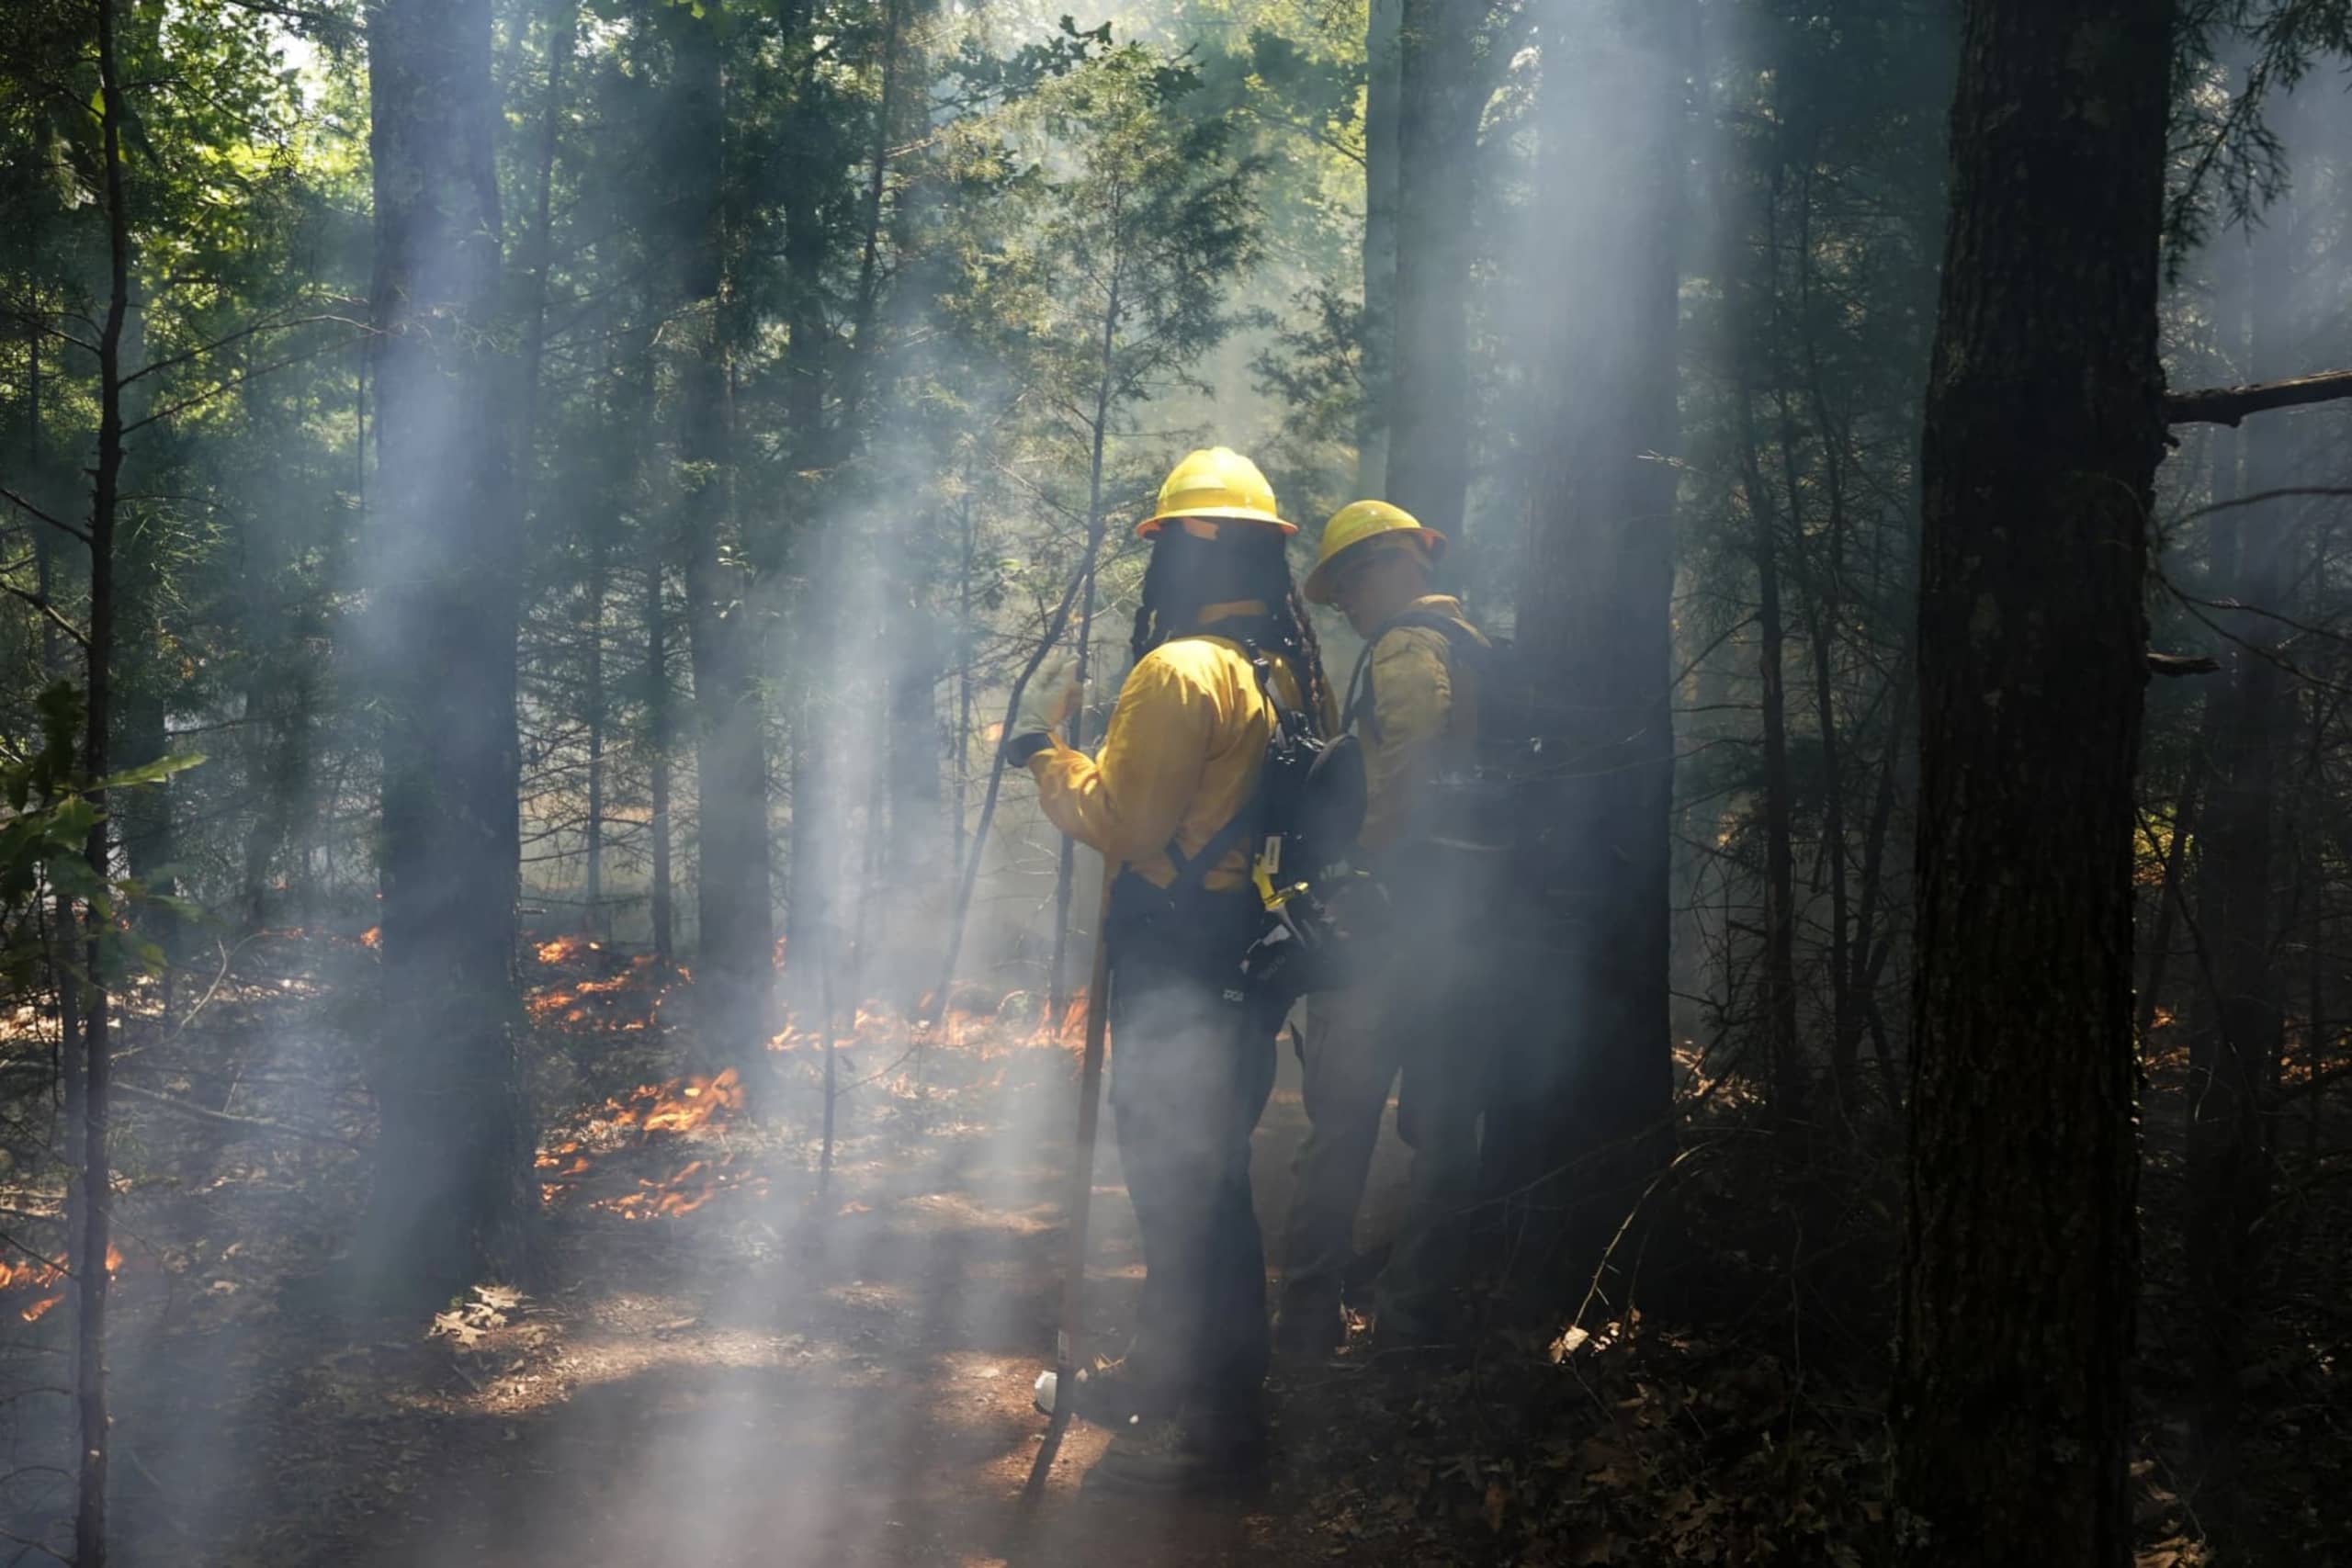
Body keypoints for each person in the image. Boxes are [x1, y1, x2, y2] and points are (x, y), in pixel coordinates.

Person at [1004, 446, 1332, 1493]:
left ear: (1189, 548)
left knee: (1189, 1191)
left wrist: (1047, 760)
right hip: (1240, 953)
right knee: (1206, 1184)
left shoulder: (1182, 669)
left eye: (1158, 544)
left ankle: (1224, 1428)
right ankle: (1179, 1375)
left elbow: (1126, 821)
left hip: (1181, 964)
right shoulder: (1274, 668)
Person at [1273, 499, 1490, 1354]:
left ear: (1390, 566)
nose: (1344, 606)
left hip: (1391, 933)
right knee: (1444, 1134)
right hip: (1466, 931)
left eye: (1347, 585)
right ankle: (1411, 1318)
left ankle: (1308, 1313)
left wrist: (1365, 874)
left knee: (1342, 1124)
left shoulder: (1406, 647)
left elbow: (1413, 762)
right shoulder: (1477, 648)